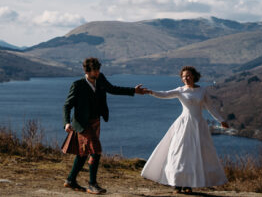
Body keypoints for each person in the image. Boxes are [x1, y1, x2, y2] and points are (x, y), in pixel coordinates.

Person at [62, 56, 145, 194]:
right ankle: (92, 184)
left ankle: (71, 180)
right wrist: (66, 122)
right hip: (82, 124)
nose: (98, 73)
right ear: (87, 71)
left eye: (98, 70)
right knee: (96, 150)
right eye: (95, 70)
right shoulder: (78, 85)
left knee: (83, 153)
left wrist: (133, 91)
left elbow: (112, 89)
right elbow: (67, 105)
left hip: (96, 122)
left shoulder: (100, 79)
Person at [140, 65, 228, 194]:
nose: (185, 78)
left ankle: (189, 184)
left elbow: (210, 107)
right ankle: (177, 184)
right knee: (179, 153)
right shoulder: (180, 90)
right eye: (183, 76)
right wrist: (150, 92)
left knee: (194, 155)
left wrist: (221, 120)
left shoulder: (202, 91)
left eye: (188, 76)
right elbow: (165, 94)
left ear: (194, 76)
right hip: (184, 125)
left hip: (198, 126)